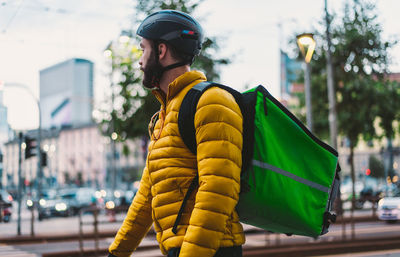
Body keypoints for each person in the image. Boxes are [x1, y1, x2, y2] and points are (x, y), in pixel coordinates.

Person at [108, 10, 245, 257]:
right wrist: (117, 253)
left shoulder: (211, 102)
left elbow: (218, 189)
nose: (139, 61)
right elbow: (147, 197)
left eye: (143, 49)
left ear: (161, 51)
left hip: (212, 249)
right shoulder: (165, 114)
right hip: (181, 248)